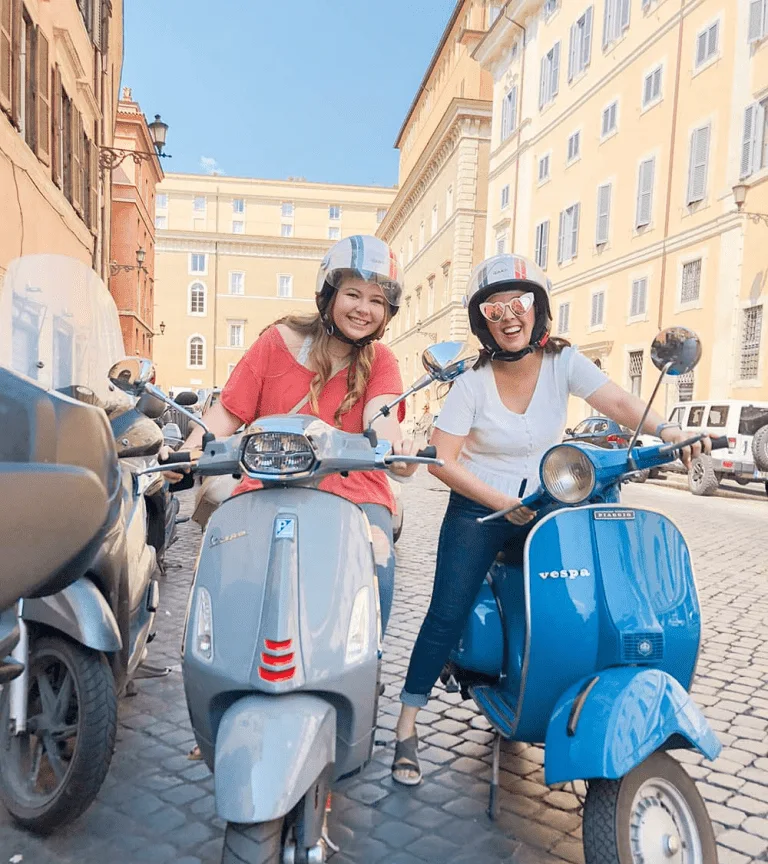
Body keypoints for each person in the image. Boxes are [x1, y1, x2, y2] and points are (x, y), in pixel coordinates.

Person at [391, 253, 712, 785]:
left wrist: (667, 430)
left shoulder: (563, 361)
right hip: (480, 508)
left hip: (550, 500)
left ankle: (557, 687)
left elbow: (616, 400)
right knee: (446, 612)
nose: (509, 315)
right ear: (483, 321)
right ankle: (406, 725)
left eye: (519, 303)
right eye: (494, 308)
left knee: (588, 591)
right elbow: (442, 460)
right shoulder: (471, 382)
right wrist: (498, 503)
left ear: (537, 308)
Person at [162, 236, 417, 759]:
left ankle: (362, 669)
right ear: (329, 294)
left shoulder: (382, 360)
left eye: (377, 300)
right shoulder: (276, 343)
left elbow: (382, 412)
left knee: (377, 564)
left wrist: (396, 443)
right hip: (270, 478)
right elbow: (229, 412)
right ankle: (227, 686)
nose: (364, 308)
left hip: (350, 487)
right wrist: (189, 448)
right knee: (236, 571)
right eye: (354, 294)